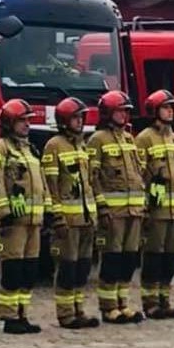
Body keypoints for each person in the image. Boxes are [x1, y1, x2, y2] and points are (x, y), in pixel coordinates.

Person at [0, 98, 51, 334]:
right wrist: (4, 211)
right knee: (12, 270)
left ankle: (23, 314)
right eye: (22, 120)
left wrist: (48, 211)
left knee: (29, 270)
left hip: (33, 221)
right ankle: (10, 317)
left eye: (28, 120)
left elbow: (42, 183)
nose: (27, 125)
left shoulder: (30, 149)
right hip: (13, 222)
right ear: (9, 123)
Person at [41, 96, 100, 329]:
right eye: (75, 118)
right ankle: (66, 314)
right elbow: (51, 186)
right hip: (67, 221)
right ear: (64, 120)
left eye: (81, 117)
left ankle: (79, 309)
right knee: (67, 268)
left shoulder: (83, 145)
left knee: (82, 268)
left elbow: (89, 183)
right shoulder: (54, 146)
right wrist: (56, 218)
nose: (80, 121)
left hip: (86, 219)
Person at [88, 90, 146, 324]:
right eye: (119, 111)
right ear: (108, 113)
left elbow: (138, 172)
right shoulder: (98, 140)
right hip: (113, 213)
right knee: (112, 259)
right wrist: (101, 208)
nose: (123, 115)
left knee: (129, 259)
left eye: (126, 111)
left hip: (134, 211)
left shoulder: (129, 139)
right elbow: (92, 177)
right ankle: (108, 306)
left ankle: (124, 303)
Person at [134, 90, 174, 319]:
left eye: (171, 107)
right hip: (156, 211)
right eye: (166, 107)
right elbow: (138, 175)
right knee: (154, 257)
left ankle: (165, 300)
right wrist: (144, 208)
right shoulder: (144, 139)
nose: (170, 111)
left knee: (170, 258)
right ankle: (150, 302)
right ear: (154, 111)